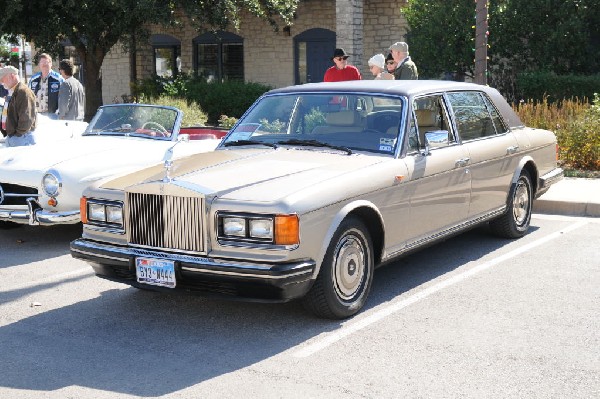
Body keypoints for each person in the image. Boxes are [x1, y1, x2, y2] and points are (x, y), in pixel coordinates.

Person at [0, 66, 37, 147]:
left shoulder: (23, 91)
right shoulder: (13, 91)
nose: (1, 82)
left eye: (2, 78)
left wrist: (17, 134)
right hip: (17, 137)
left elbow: (26, 117)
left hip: (22, 137)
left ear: (12, 76)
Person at [28, 53, 63, 118]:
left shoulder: (59, 79)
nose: (44, 64)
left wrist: (58, 112)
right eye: (42, 62)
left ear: (51, 64)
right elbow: (28, 97)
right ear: (39, 64)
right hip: (36, 115)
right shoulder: (33, 79)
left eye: (47, 62)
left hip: (53, 115)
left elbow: (64, 98)